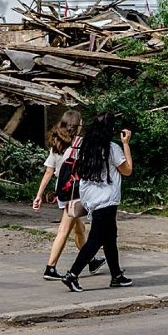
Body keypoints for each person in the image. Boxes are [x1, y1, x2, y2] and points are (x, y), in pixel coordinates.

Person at [62, 112, 133, 292]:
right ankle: (72, 274)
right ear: (110, 129)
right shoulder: (112, 148)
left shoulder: (86, 147)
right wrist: (126, 144)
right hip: (107, 201)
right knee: (95, 240)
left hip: (91, 199)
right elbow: (127, 170)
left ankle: (117, 275)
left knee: (110, 239)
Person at [32, 110, 105, 280]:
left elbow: (49, 172)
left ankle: (91, 260)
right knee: (64, 230)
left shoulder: (57, 144)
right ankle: (50, 268)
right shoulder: (80, 144)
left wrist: (38, 195)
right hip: (75, 192)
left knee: (79, 228)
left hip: (62, 190)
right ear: (77, 125)